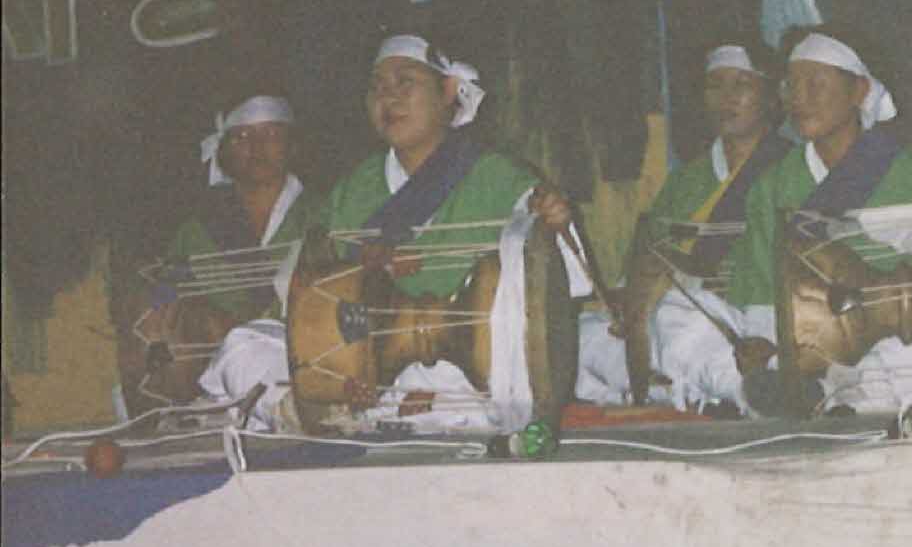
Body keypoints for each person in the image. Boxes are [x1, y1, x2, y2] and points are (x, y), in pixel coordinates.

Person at [321, 34, 585, 418]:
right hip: (378, 366)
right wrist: (362, 272)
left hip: (472, 372)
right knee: (253, 347)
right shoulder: (351, 190)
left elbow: (554, 278)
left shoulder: (497, 176)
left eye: (405, 82)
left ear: (447, 91)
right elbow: (314, 292)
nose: (388, 98)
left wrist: (554, 220)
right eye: (377, 87)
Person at [725, 28, 912, 413]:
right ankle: (813, 392)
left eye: (815, 84)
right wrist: (764, 344)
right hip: (809, 343)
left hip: (904, 338)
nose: (799, 99)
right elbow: (760, 290)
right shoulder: (772, 186)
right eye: (791, 85)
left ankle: (838, 397)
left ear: (859, 91)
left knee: (910, 356)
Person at [613, 39, 789, 411]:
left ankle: (743, 392)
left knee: (680, 321)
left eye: (741, 84)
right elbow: (646, 264)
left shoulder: (791, 168)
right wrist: (627, 305)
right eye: (715, 85)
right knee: (589, 337)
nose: (726, 98)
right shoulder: (684, 181)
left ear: (771, 97)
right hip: (679, 317)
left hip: (757, 317)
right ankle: (713, 388)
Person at [148, 95, 321, 425]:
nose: (257, 147)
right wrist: (192, 314)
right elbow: (163, 298)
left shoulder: (324, 214)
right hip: (214, 387)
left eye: (271, 134)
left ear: (292, 145)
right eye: (242, 136)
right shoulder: (199, 227)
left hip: (301, 366)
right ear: (223, 150)